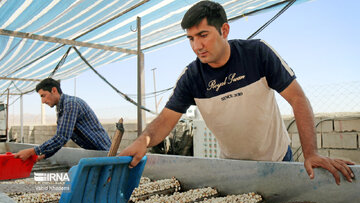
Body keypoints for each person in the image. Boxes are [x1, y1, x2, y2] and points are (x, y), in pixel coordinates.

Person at [119, 1, 355, 185]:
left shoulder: (258, 54)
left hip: (276, 158)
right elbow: (165, 121)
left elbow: (298, 99)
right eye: (190, 39)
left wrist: (311, 153)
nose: (196, 46)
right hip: (233, 166)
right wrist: (143, 141)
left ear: (224, 30)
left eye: (203, 35)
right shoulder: (191, 76)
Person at [15, 78, 111, 161]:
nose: (43, 101)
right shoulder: (61, 108)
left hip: (104, 151)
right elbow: (59, 139)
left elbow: (62, 137)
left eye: (43, 96)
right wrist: (44, 155)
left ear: (54, 90)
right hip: (95, 152)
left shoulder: (71, 104)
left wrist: (32, 151)